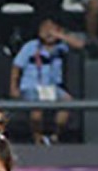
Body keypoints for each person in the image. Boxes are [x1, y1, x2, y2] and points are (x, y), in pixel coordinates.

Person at [11, 14, 80, 145]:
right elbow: (16, 66)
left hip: (52, 87)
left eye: (52, 28)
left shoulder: (61, 47)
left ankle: (54, 136)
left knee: (68, 102)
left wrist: (60, 35)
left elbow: (80, 45)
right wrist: (13, 87)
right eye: (45, 28)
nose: (48, 32)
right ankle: (38, 138)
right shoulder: (30, 46)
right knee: (37, 108)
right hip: (31, 86)